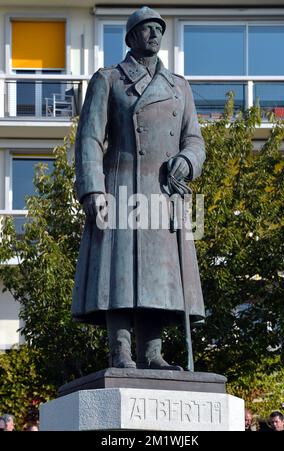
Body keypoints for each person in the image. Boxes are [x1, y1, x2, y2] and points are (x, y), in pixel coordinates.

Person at [72, 6, 206, 370]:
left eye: (158, 29)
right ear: (130, 37)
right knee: (119, 272)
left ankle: (152, 352)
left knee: (158, 276)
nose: (154, 35)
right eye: (146, 29)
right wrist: (93, 190)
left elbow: (194, 139)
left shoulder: (179, 87)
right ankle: (120, 350)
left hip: (164, 193)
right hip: (120, 187)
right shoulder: (109, 79)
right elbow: (89, 139)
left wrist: (188, 161)